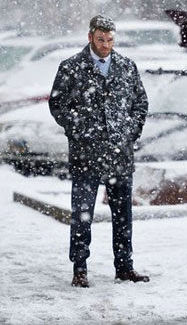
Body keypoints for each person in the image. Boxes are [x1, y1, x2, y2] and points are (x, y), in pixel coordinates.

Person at [49, 15, 149, 287]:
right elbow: (58, 106)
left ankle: (125, 267)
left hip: (120, 154)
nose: (106, 45)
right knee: (82, 215)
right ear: (90, 37)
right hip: (86, 154)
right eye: (101, 39)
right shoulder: (71, 67)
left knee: (123, 217)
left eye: (110, 40)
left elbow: (140, 103)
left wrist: (130, 130)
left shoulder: (127, 66)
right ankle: (79, 268)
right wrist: (79, 128)